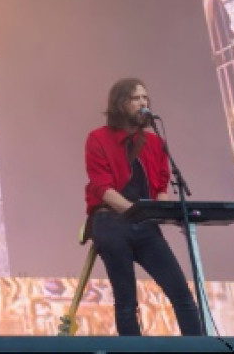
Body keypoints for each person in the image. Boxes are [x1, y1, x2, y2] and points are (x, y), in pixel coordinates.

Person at [83, 77, 202, 337]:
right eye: (136, 98)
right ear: (120, 103)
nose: (143, 103)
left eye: (145, 98)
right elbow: (102, 188)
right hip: (111, 223)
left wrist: (160, 211)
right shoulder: (98, 139)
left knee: (181, 294)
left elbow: (161, 186)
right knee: (126, 301)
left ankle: (198, 345)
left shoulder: (155, 143)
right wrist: (136, 212)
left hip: (144, 225)